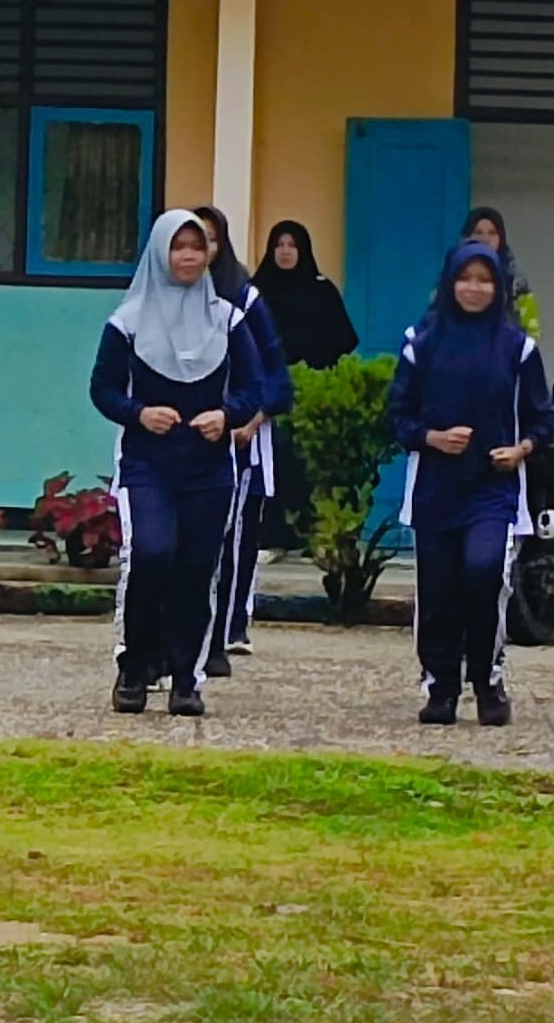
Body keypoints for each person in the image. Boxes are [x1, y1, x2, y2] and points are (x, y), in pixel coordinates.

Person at [91, 211, 266, 715]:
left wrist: (226, 415)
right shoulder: (126, 323)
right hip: (147, 465)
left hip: (208, 470)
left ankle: (187, 675)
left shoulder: (228, 321)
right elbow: (102, 389)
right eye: (178, 247)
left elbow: (255, 388)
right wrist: (139, 413)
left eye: (197, 247)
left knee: (196, 568)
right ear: (161, 254)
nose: (188, 256)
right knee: (153, 553)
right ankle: (135, 665)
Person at [386, 241, 554, 727]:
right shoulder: (421, 342)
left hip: (493, 489)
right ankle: (440, 686)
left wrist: (521, 449)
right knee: (438, 589)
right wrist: (432, 438)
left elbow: (542, 419)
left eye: (485, 280)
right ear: (450, 282)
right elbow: (398, 417)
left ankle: (488, 680)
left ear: (499, 286)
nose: (474, 288)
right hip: (435, 487)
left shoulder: (517, 349)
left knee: (483, 574)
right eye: (466, 279)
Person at [194, 205, 296, 673]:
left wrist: (249, 422)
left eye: (209, 241)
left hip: (239, 443)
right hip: (183, 441)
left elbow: (274, 378)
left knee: (231, 539)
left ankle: (225, 631)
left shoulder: (244, 297)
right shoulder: (166, 300)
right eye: (191, 242)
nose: (199, 252)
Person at [252, 221, 358, 370]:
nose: (285, 251)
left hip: (316, 384)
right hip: (266, 382)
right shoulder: (255, 293)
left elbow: (343, 342)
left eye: (292, 245)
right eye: (279, 245)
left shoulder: (323, 291)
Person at [458, 205, 538, 328]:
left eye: (492, 233)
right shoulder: (453, 273)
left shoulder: (516, 277)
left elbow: (531, 324)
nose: (485, 239)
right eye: (478, 232)